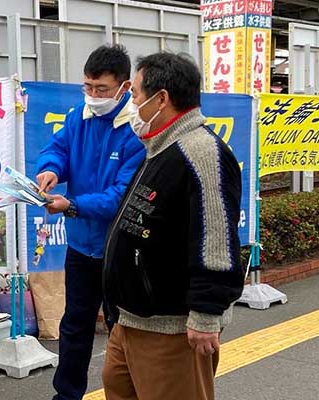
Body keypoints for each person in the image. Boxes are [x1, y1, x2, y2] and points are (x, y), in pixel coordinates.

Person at [102, 52, 244, 400]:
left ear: (160, 98)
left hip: (172, 330)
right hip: (131, 322)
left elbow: (216, 238)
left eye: (134, 94)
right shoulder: (159, 148)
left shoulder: (201, 152)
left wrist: (207, 314)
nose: (130, 103)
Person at [36, 44, 146, 400]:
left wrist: (71, 205)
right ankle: (66, 396)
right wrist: (51, 170)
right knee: (74, 326)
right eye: (87, 86)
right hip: (81, 245)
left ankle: (127, 394)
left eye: (101, 89)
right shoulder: (78, 115)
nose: (93, 95)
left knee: (122, 329)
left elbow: (120, 196)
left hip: (120, 248)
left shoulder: (137, 131)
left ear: (125, 88)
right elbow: (58, 149)